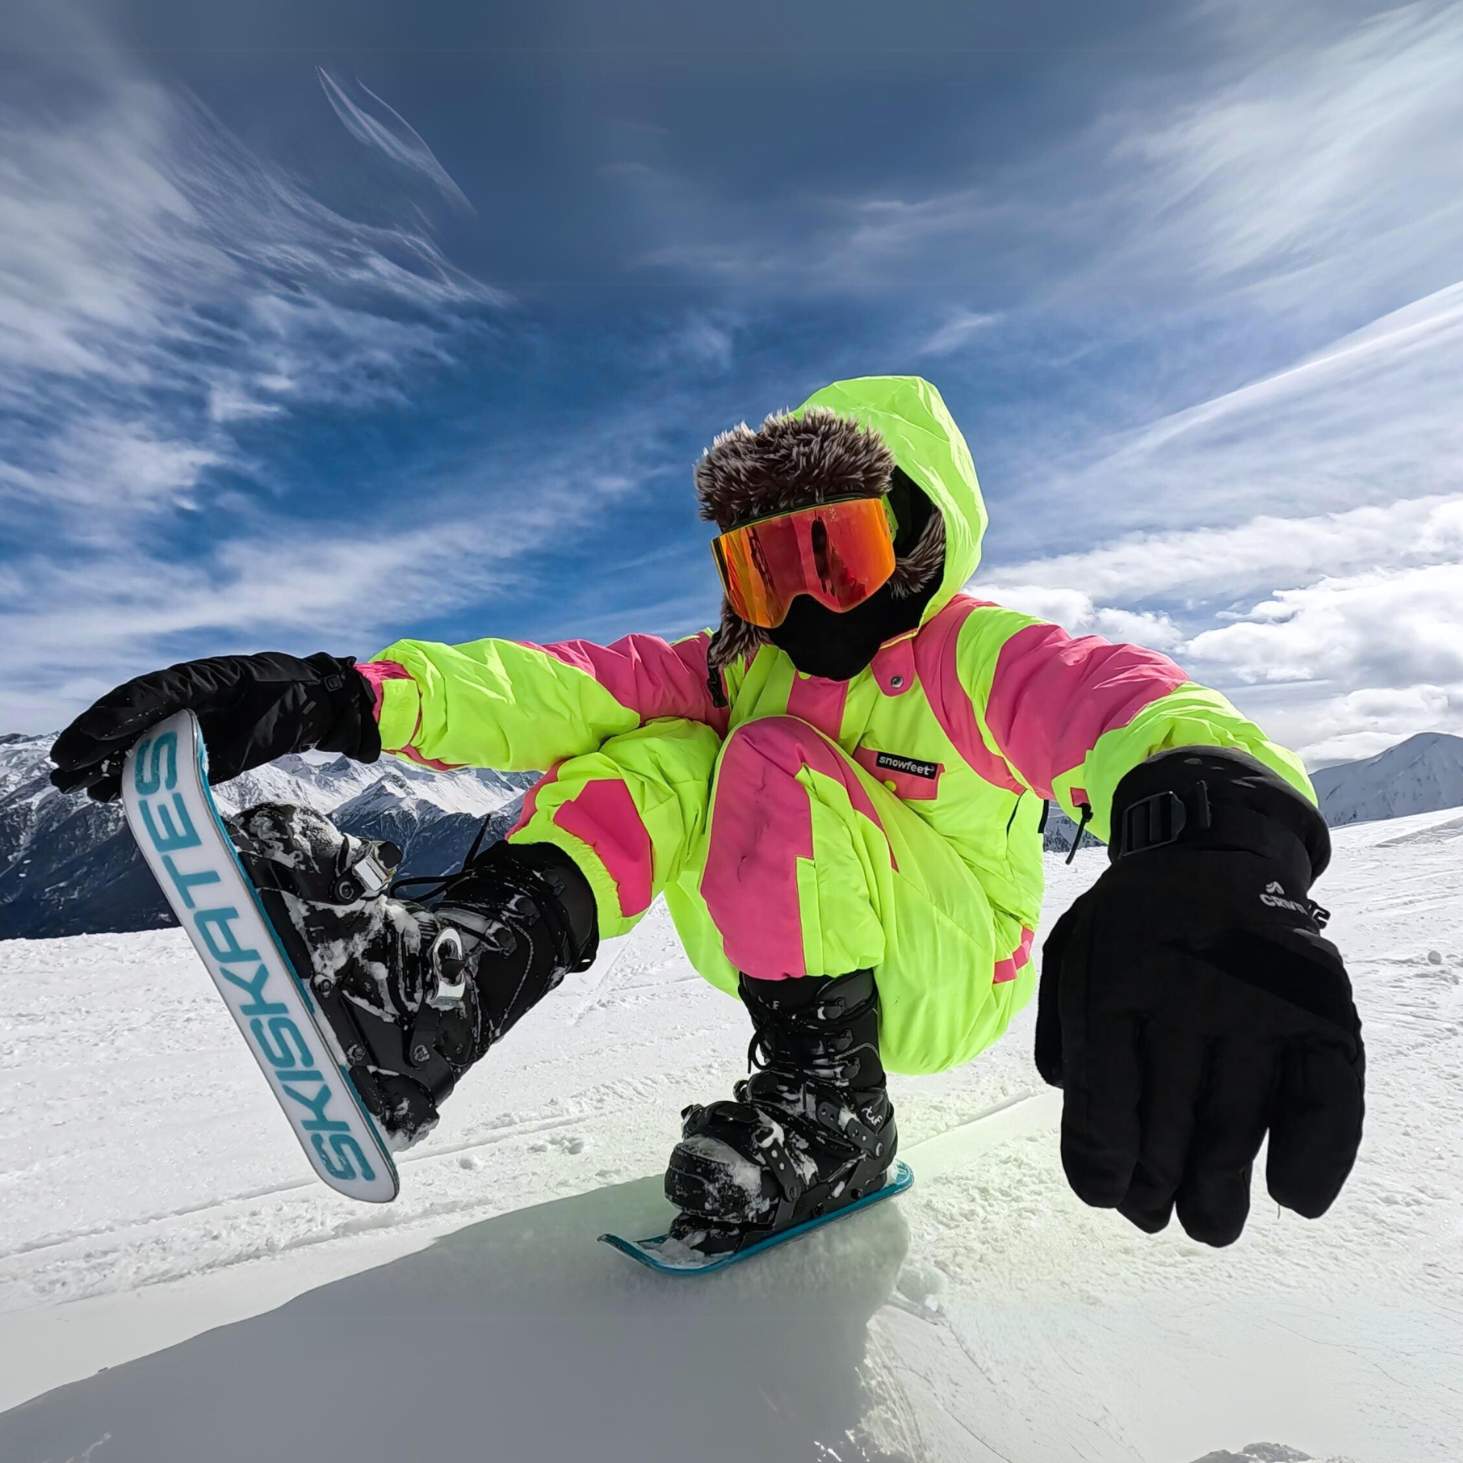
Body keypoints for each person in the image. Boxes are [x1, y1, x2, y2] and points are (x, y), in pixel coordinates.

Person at [50, 375, 1364, 1254]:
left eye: (830, 552)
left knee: (767, 756)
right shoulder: (746, 666)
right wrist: (331, 699)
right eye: (757, 567)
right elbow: (556, 686)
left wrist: (1214, 835)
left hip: (954, 966)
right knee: (670, 738)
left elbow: (1126, 704)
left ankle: (832, 1109)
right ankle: (442, 987)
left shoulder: (975, 658)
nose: (797, 607)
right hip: (797, 923)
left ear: (919, 534)